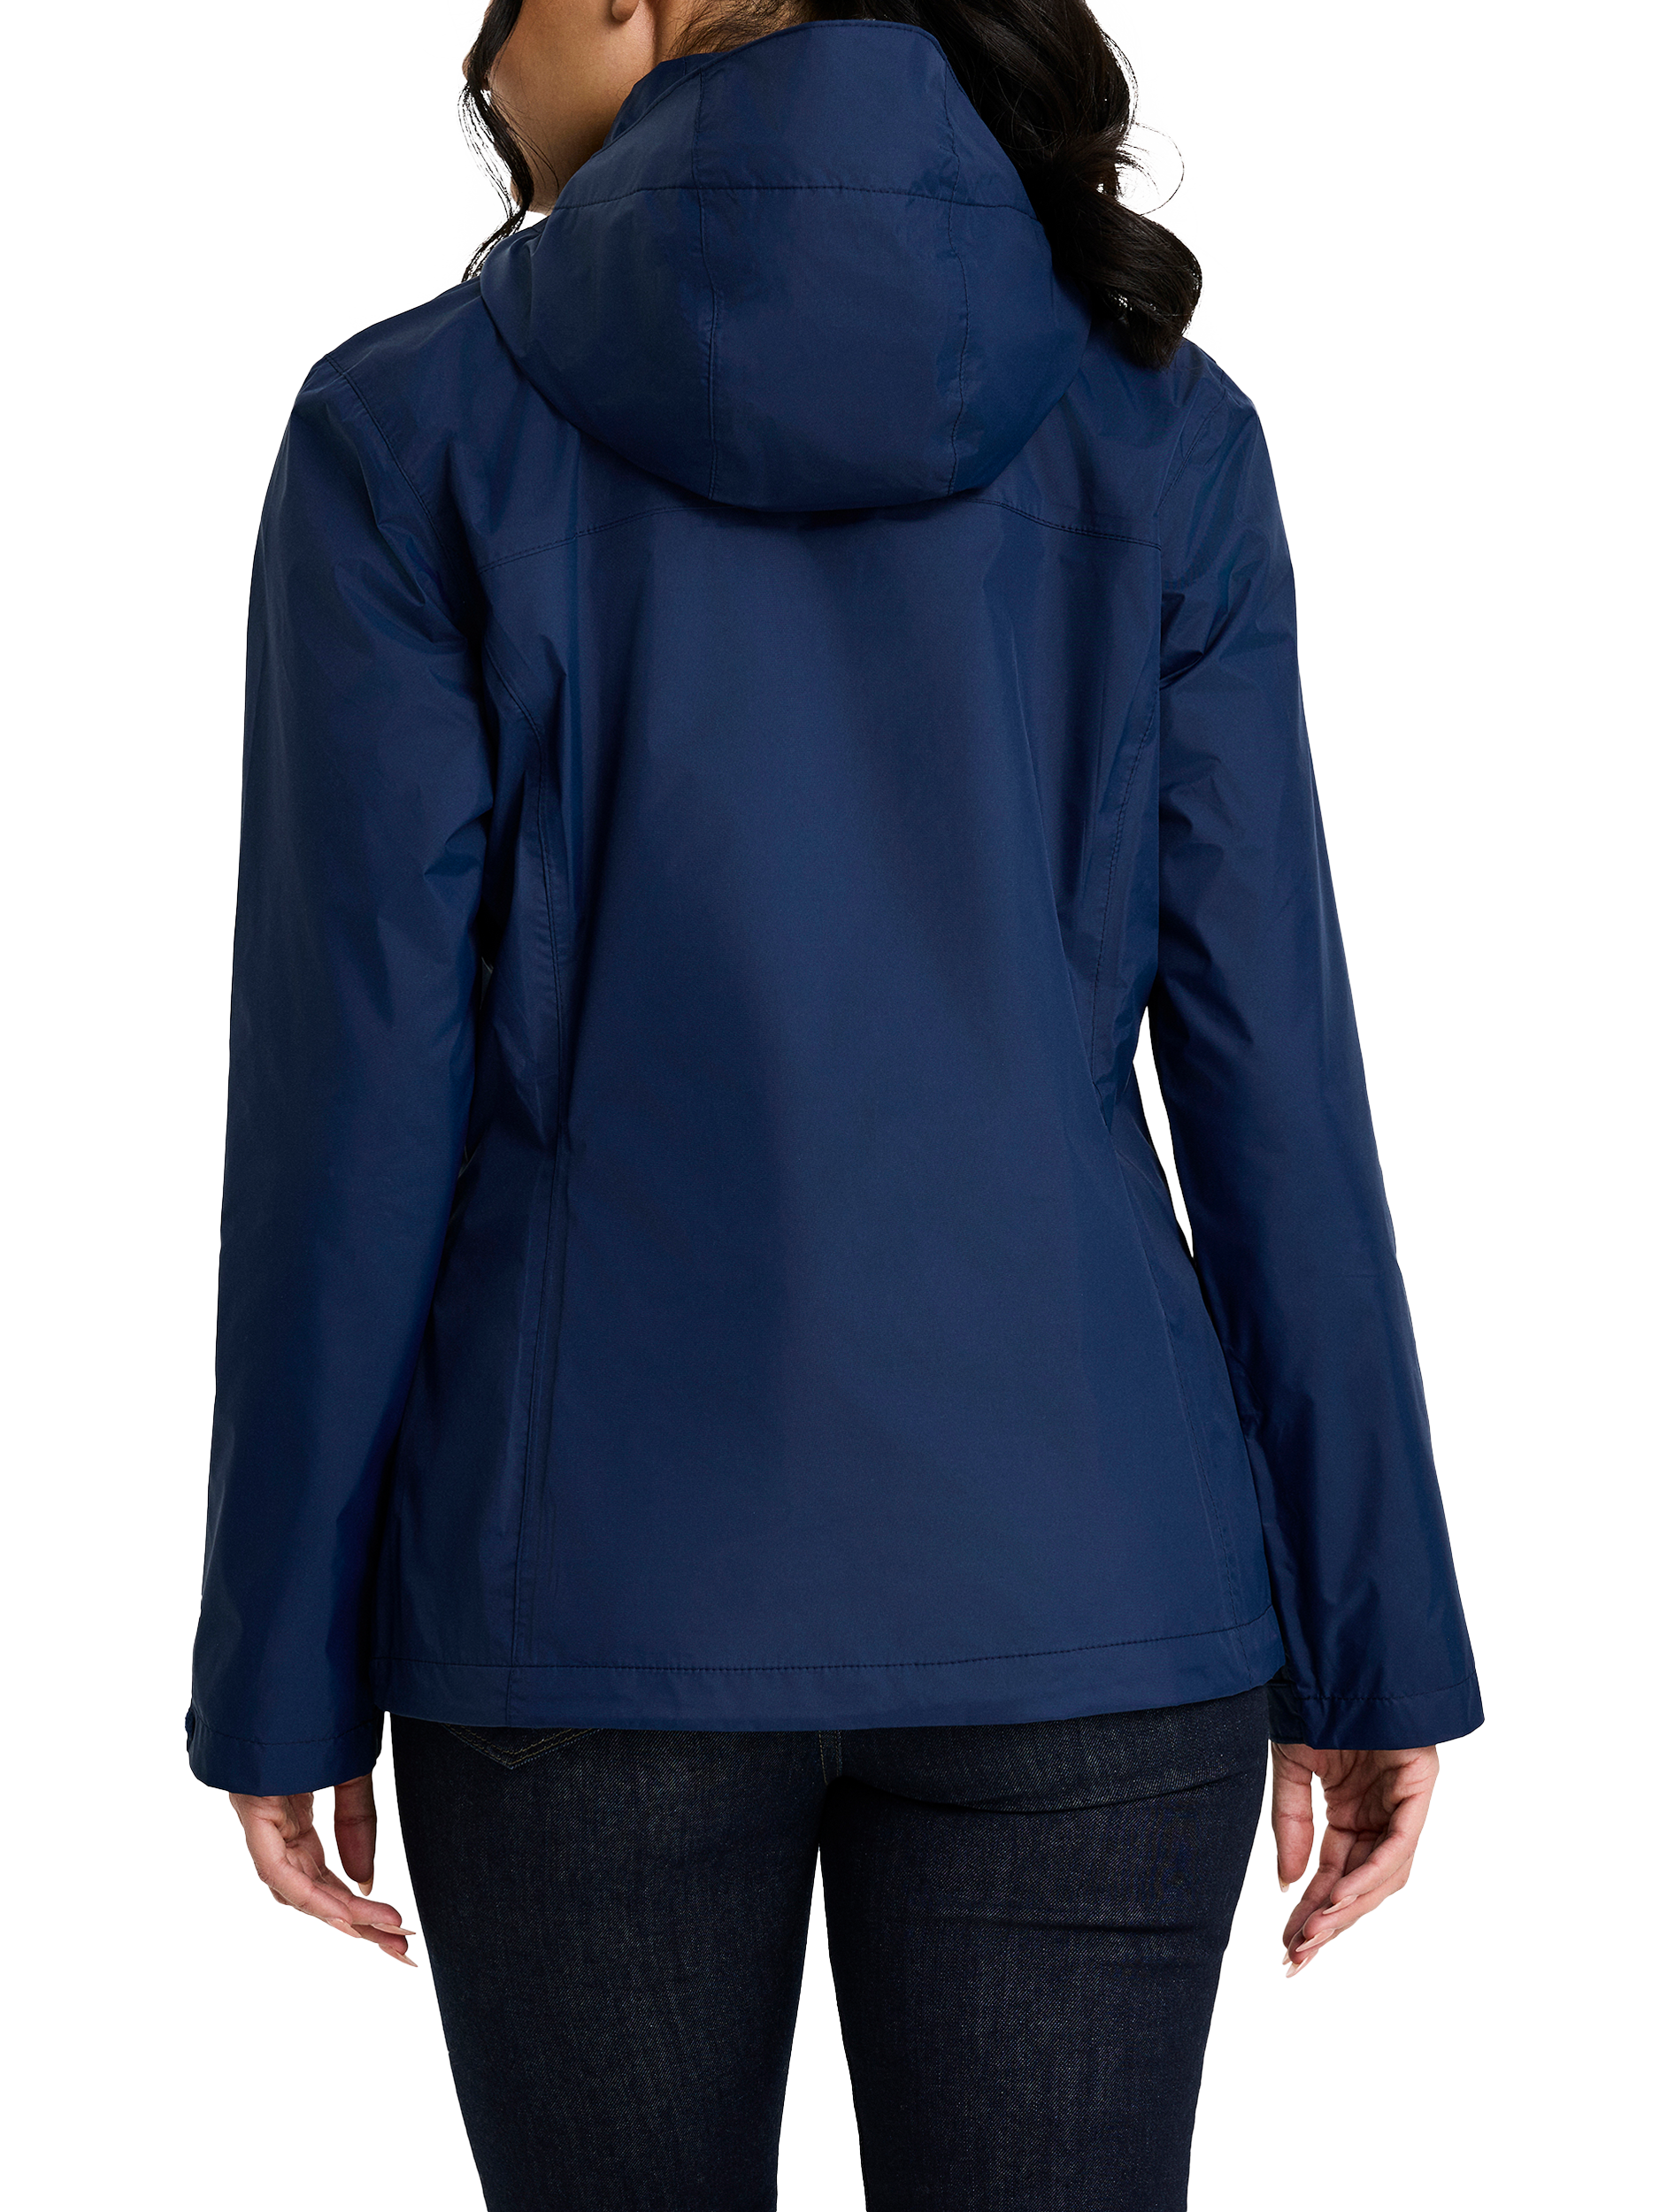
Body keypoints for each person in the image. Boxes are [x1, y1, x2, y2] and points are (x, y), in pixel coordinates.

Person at [188, 2, 1483, 2204]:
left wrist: (280, 1665)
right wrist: (1373, 1631)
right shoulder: (1162, 424)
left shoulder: (404, 427)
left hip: (577, 1605)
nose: (483, 72)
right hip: (1091, 1587)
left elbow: (347, 1101)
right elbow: (1272, 1064)